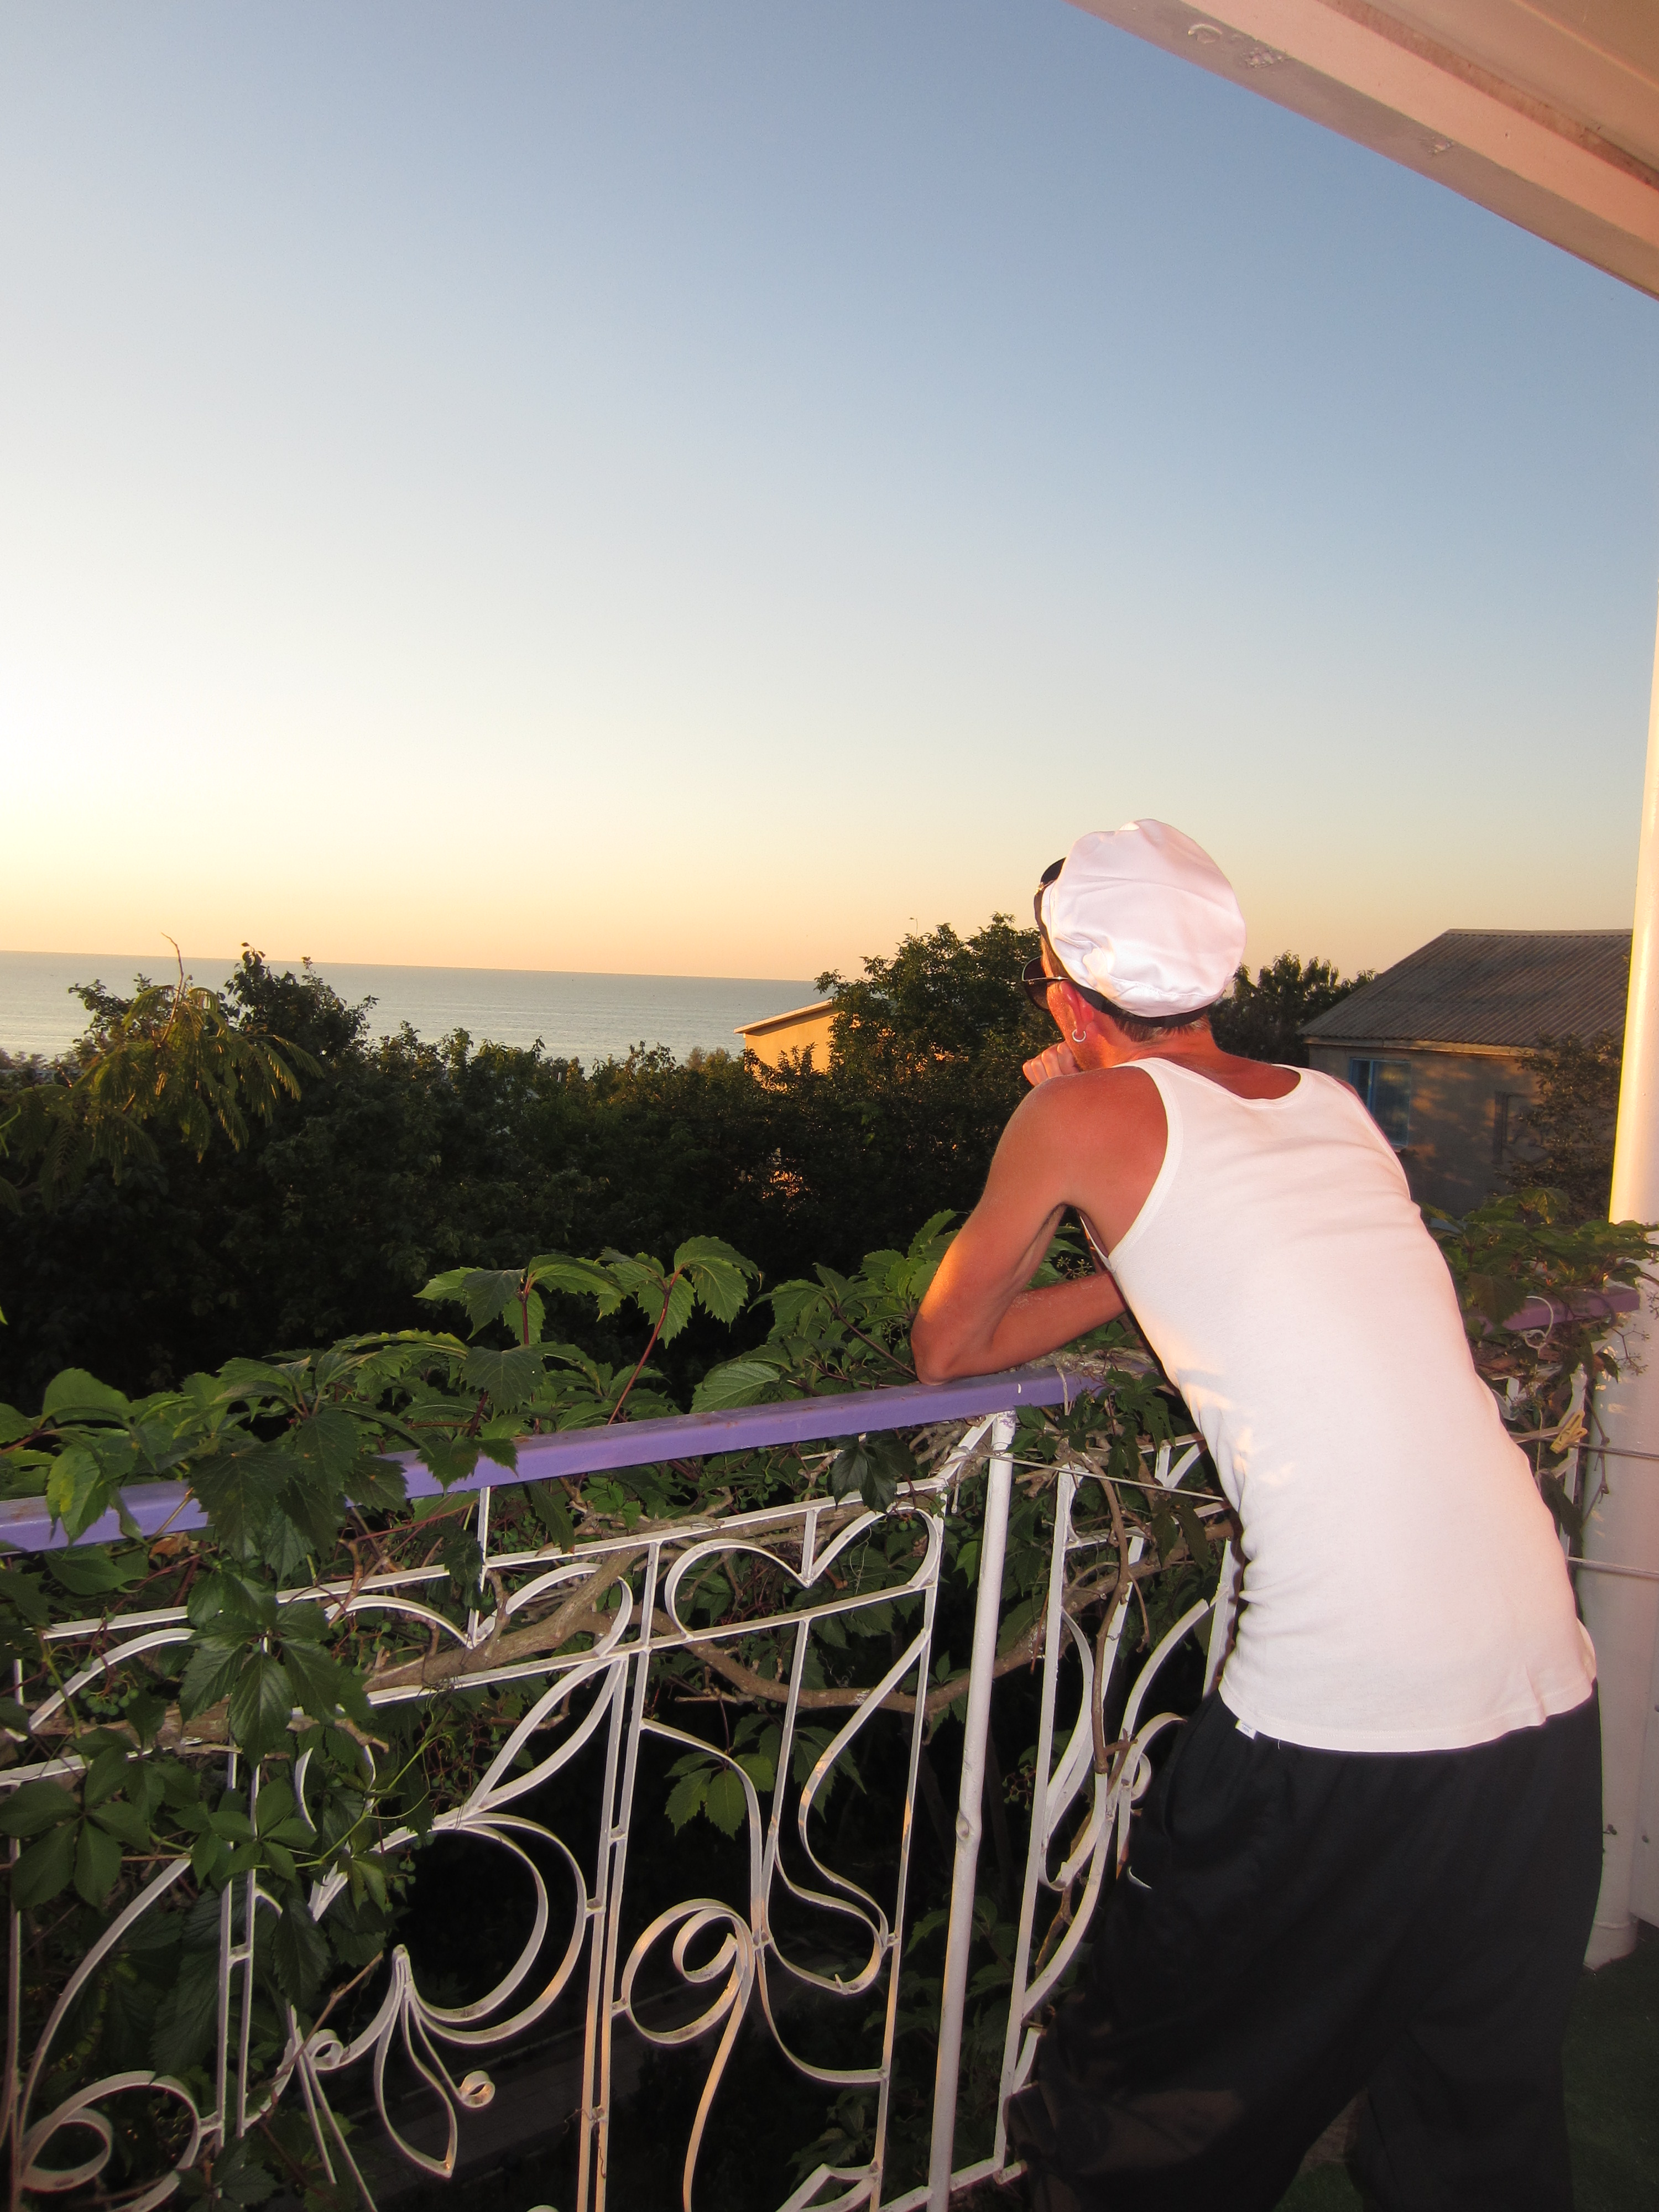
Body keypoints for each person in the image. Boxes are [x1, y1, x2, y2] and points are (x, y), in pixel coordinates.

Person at [910, 820, 1601, 2212]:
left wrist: (1111, 1204)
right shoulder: (1333, 1103)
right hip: (1545, 1687)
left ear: (1065, 991)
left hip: (1348, 1718)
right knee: (1472, 2116)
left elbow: (949, 1347)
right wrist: (1151, 1231)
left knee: (1149, 2119)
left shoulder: (1074, 1117)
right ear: (1220, 972)